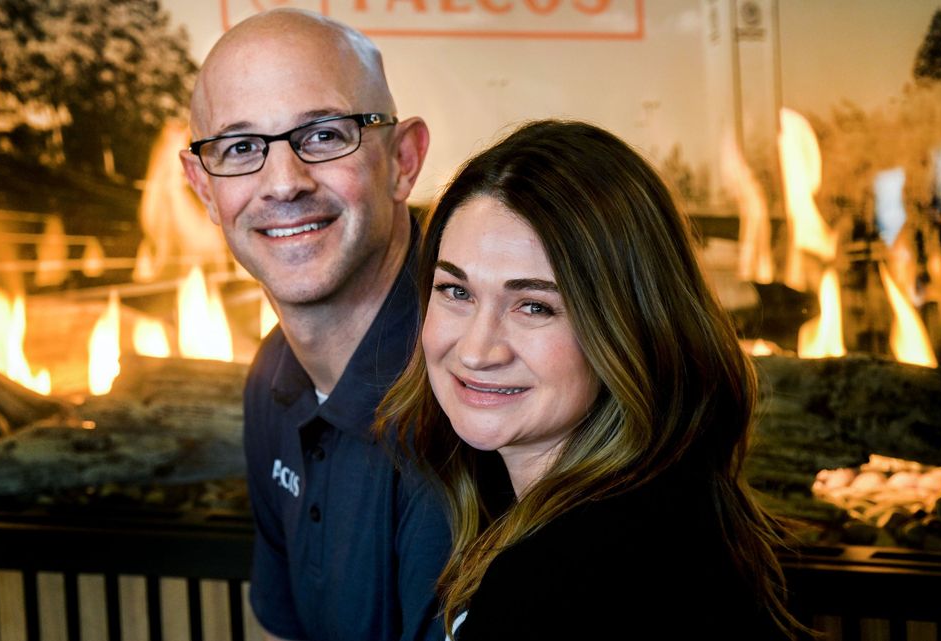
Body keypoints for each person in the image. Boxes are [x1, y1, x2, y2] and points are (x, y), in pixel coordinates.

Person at [377, 120, 806, 639]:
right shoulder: (666, 502)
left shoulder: (564, 578)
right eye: (456, 291)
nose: (476, 349)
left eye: (534, 305)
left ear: (628, 325)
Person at [179, 9, 449, 641]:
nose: (283, 184)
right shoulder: (273, 374)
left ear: (403, 161)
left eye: (324, 135)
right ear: (203, 189)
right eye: (241, 148)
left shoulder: (472, 392)